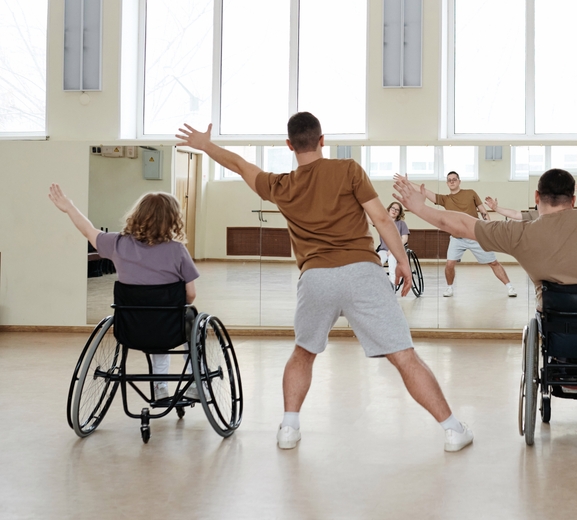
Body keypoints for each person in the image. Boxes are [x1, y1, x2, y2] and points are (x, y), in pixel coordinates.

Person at [176, 113, 473, 452]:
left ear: (289, 145)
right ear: (322, 140)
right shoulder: (348, 170)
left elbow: (241, 165)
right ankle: (453, 430)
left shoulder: (281, 185)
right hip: (363, 272)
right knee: (405, 357)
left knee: (303, 353)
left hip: (315, 278)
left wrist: (206, 145)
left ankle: (288, 428)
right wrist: (402, 261)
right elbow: (380, 218)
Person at [393, 168, 577, 333]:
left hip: (554, 318)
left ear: (537, 197)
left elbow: (460, 224)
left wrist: (419, 207)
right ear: (573, 200)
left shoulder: (520, 233)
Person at [48, 186, 199, 405]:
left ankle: (160, 386)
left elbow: (88, 231)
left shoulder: (117, 243)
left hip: (130, 327)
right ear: (172, 219)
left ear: (137, 215)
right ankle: (195, 382)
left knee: (156, 324)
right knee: (188, 320)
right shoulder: (177, 250)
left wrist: (69, 207)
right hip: (169, 328)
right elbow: (191, 294)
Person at [407, 171, 517, 298]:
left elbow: (482, 211)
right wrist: (407, 183)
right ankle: (449, 288)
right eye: (449, 180)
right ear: (447, 183)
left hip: (476, 235)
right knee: (449, 264)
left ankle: (510, 287)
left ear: (459, 181)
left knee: (493, 262)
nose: (452, 181)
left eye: (454, 179)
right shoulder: (445, 199)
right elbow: (425, 191)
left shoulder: (471, 193)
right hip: (457, 238)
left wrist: (488, 228)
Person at [376, 201, 409, 285]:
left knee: (391, 260)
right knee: (376, 263)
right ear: (389, 209)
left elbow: (404, 239)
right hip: (383, 250)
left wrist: (393, 249)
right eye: (393, 208)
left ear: (399, 213)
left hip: (396, 250)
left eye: (397, 210)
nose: (394, 211)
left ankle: (392, 285)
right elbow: (370, 219)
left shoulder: (401, 224)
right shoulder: (382, 222)